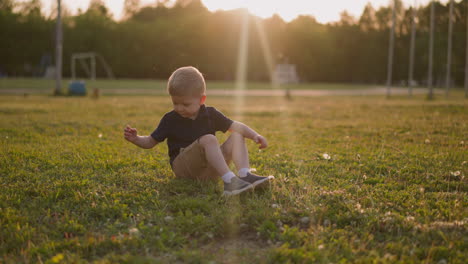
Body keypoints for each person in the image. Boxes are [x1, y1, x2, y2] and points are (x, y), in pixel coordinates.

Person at [124, 66, 272, 196]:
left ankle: (245, 175)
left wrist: (255, 135)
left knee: (237, 136)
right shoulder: (170, 119)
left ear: (202, 100)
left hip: (208, 170)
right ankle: (230, 181)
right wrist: (136, 139)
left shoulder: (210, 114)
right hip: (184, 169)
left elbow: (235, 125)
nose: (180, 108)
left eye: (186, 104)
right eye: (175, 103)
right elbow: (150, 141)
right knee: (208, 139)